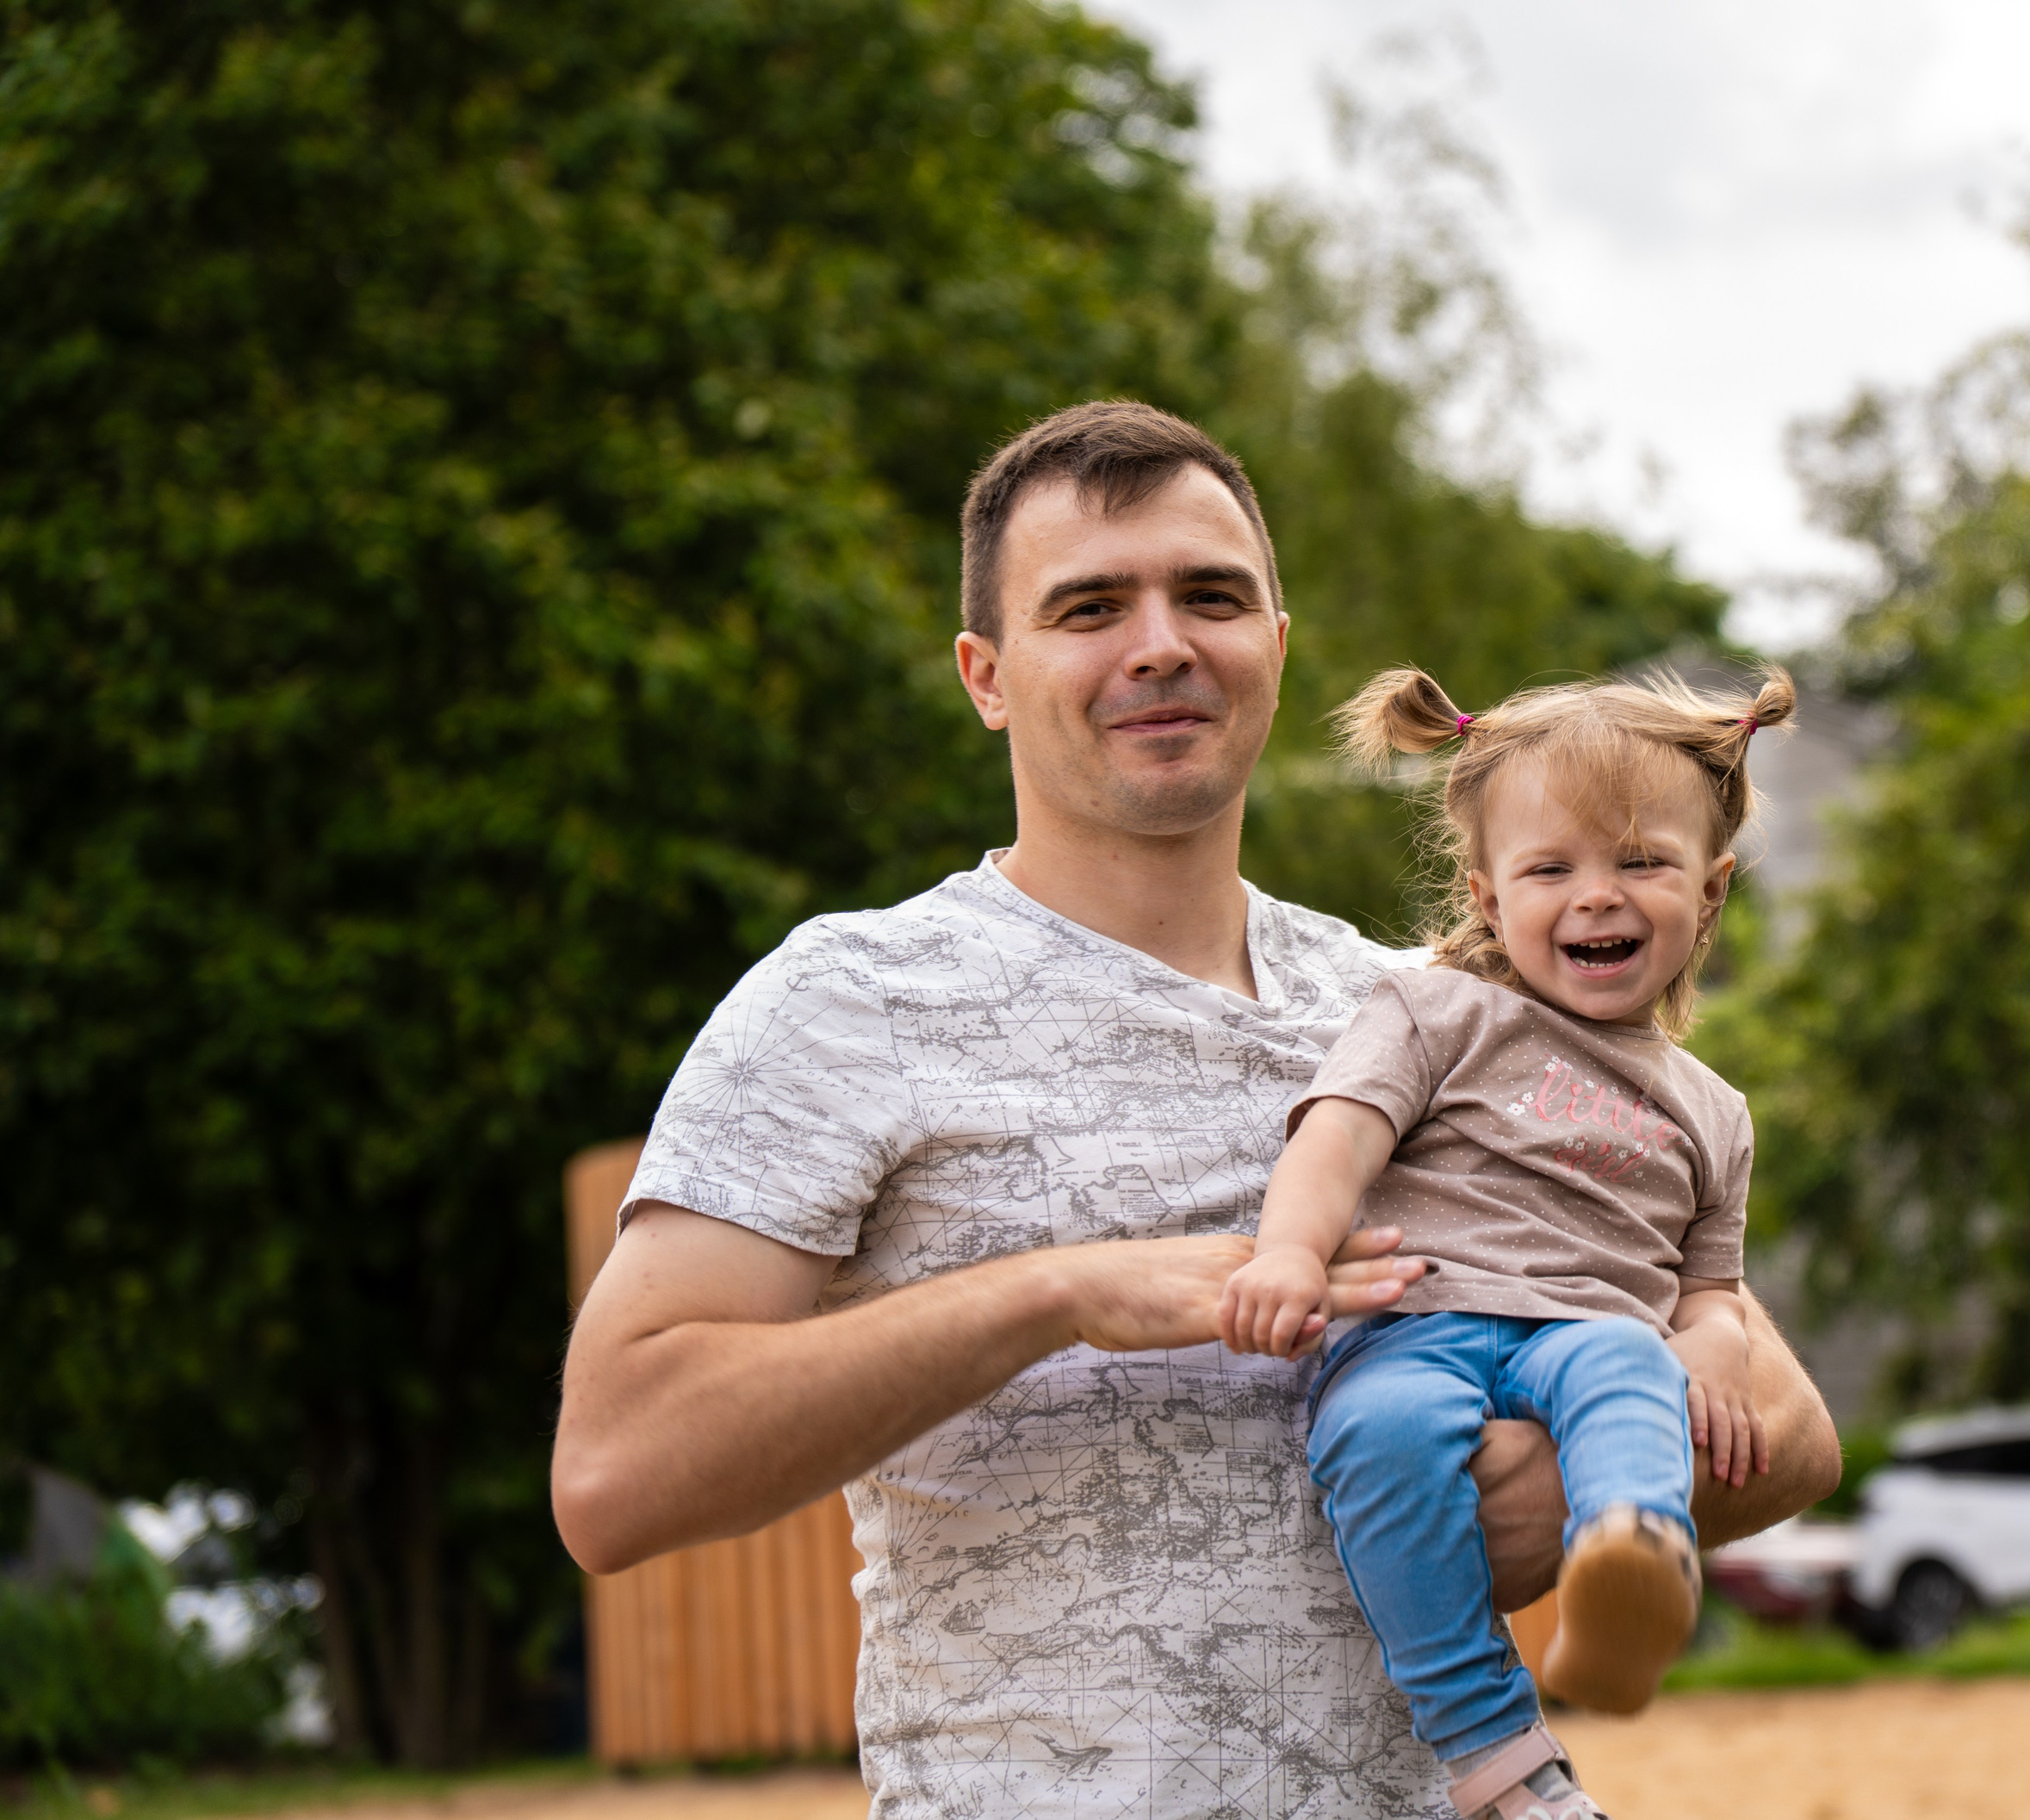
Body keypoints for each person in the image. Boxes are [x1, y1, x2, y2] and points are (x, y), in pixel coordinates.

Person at [552, 401, 1841, 1818]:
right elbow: (614, 1474)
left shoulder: (1442, 1005)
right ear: (986, 675)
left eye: (1211, 597)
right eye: (1090, 606)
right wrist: (1055, 1293)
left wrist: (1590, 1479)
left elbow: (1786, 1417)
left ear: (1275, 648)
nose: (1162, 643)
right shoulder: (847, 999)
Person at [1219, 663, 1796, 1819]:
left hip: (1589, 1329)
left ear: (1710, 889)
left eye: (1642, 862)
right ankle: (1499, 1761)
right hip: (1415, 1326)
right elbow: (1336, 1142)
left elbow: (1708, 1285)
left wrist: (1718, 1345)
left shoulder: (1715, 1110)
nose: (1598, 897)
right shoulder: (1437, 1012)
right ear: (1487, 898)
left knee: (1636, 1369)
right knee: (1373, 1432)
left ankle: (1631, 1563)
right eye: (1551, 869)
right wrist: (1288, 1252)